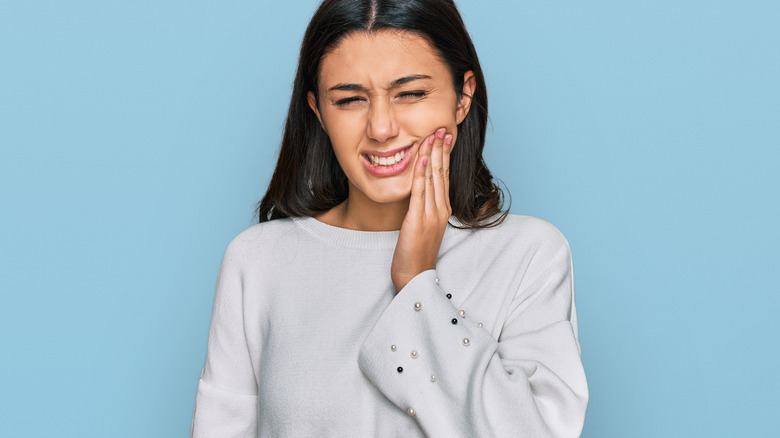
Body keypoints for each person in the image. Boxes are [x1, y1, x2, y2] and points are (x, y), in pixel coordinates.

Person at [191, 0, 588, 436]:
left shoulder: (528, 255)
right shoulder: (257, 261)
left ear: (463, 97)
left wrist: (417, 280)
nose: (381, 128)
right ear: (318, 112)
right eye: (349, 100)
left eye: (411, 93)